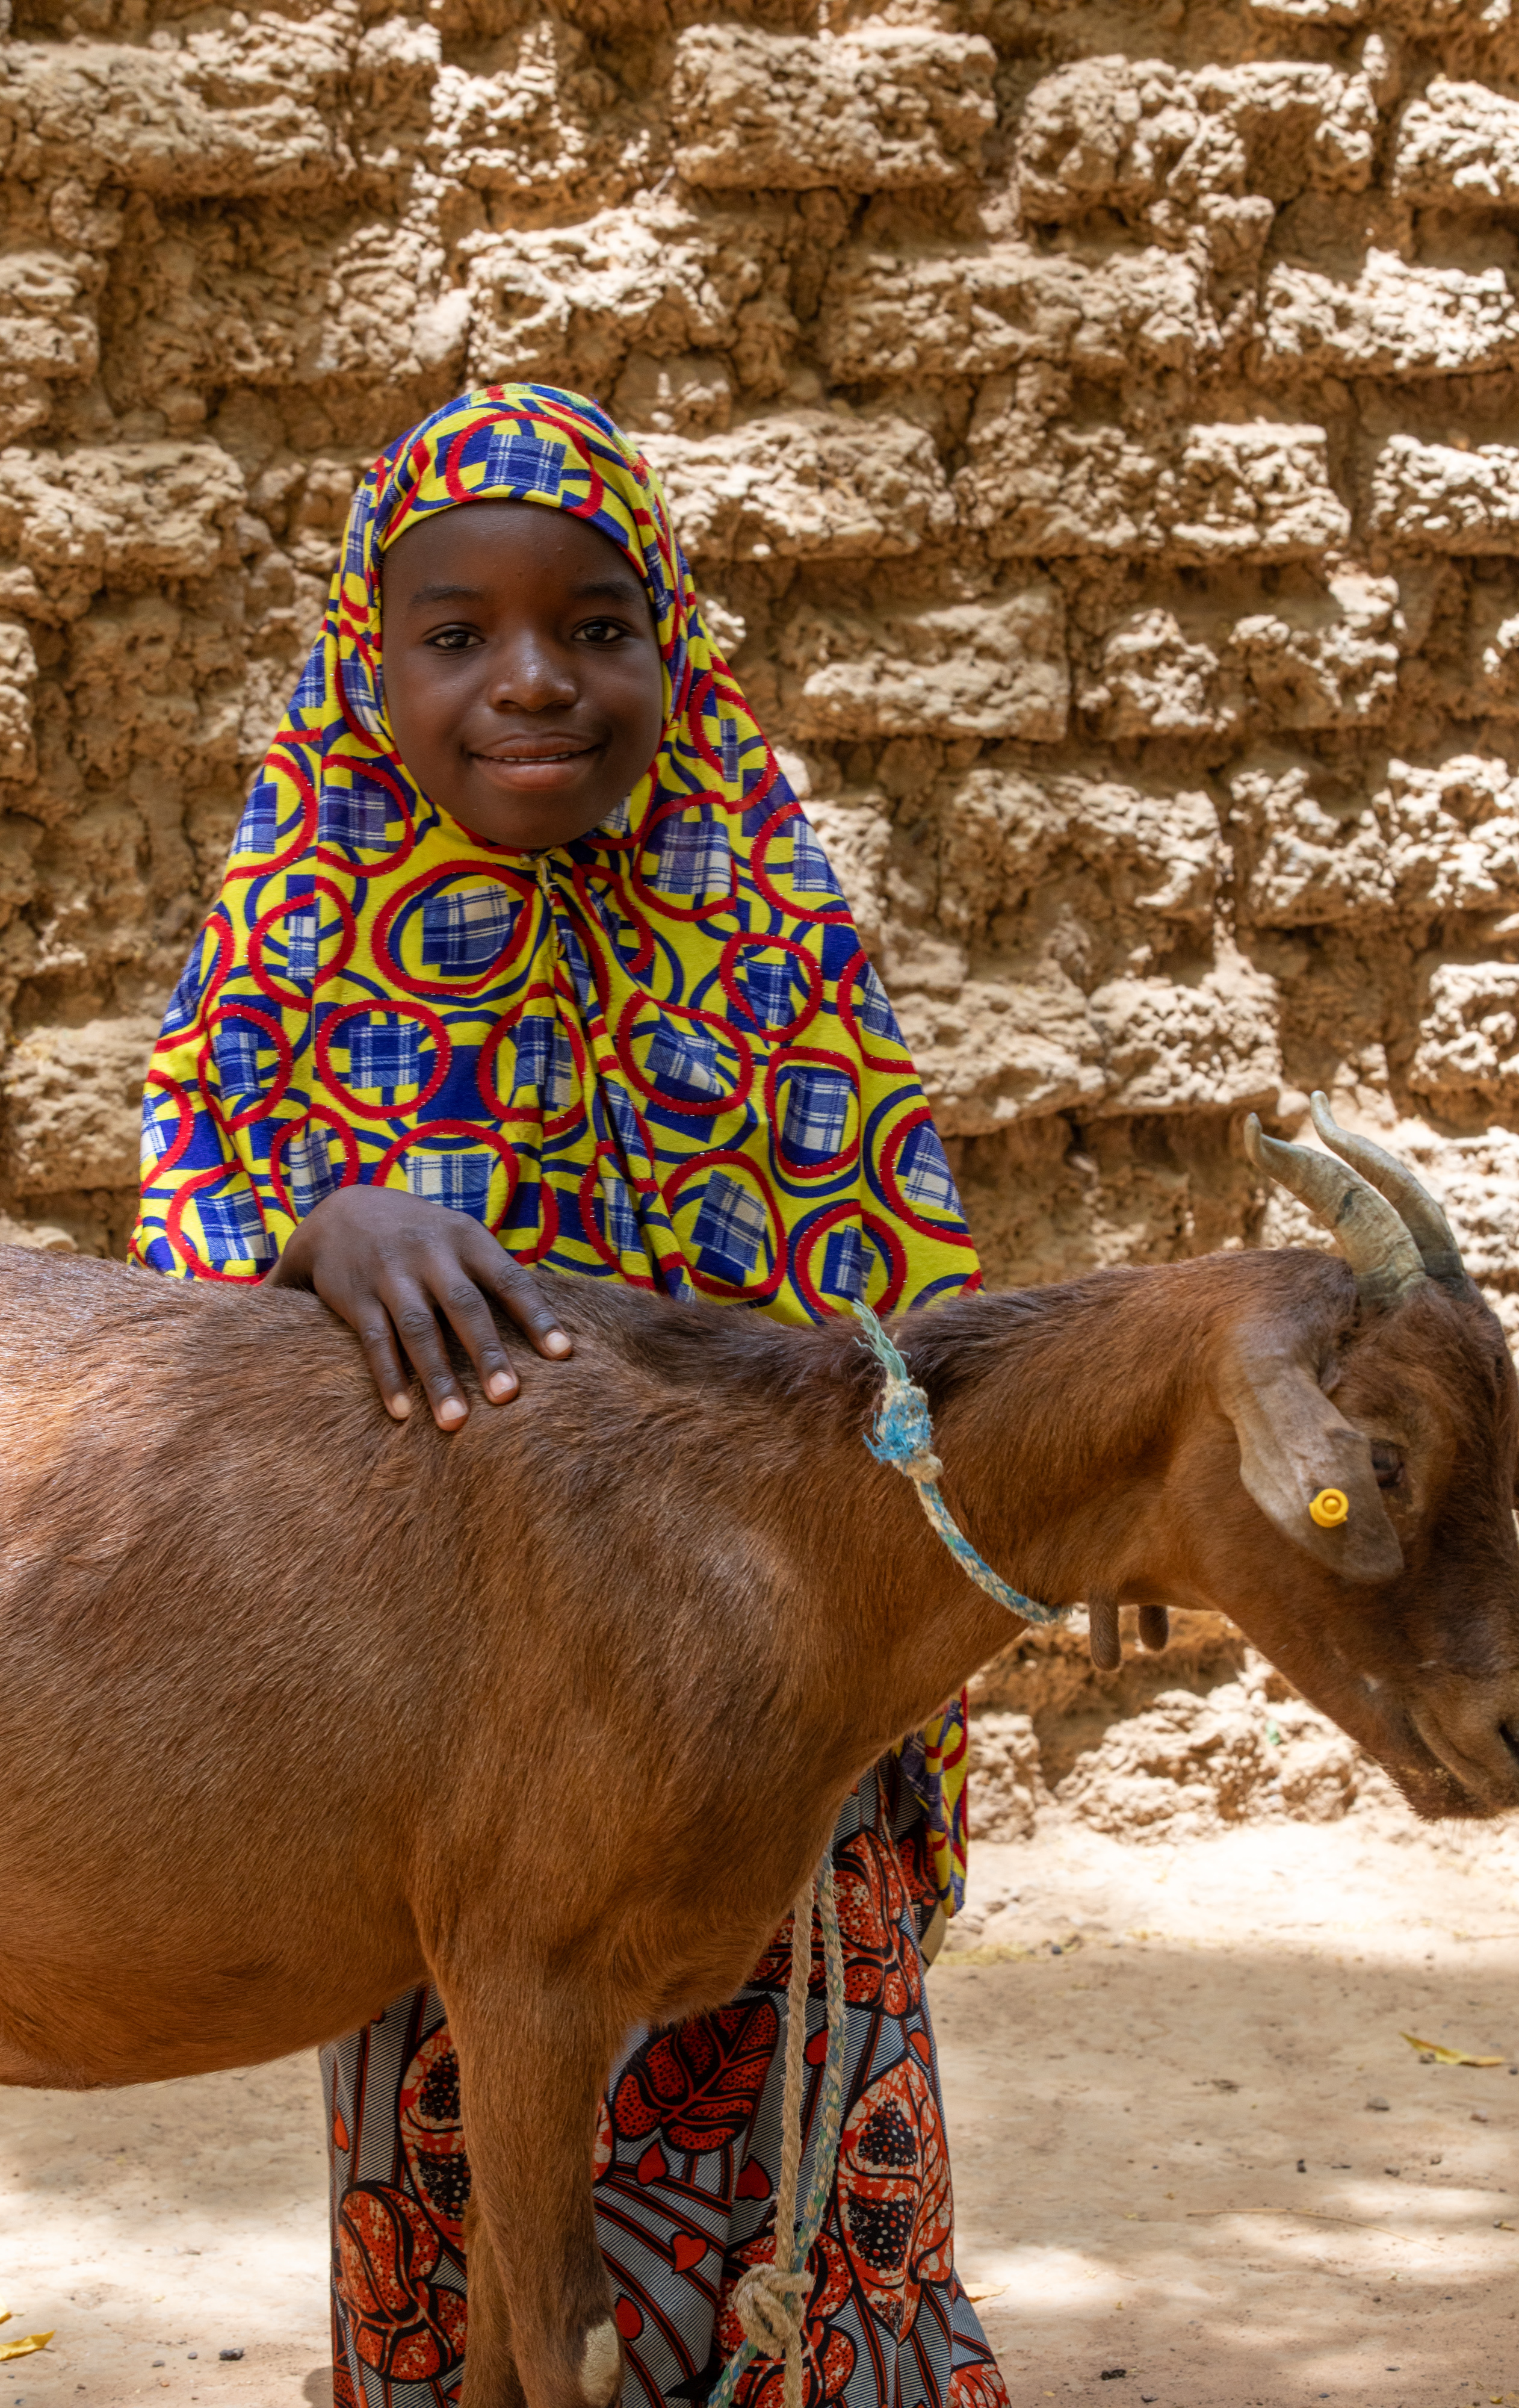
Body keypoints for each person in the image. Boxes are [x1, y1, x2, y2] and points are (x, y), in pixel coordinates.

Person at [134, 385, 1006, 2408]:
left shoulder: (767, 945)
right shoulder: (290, 957)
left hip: (765, 1764)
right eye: (457, 635)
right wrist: (312, 1227)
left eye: (594, 627)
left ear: (666, 648)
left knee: (801, 2236)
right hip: (434, 1778)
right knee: (482, 2276)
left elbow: (907, 1362)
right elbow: (181, 1338)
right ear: (374, 666)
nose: (532, 683)